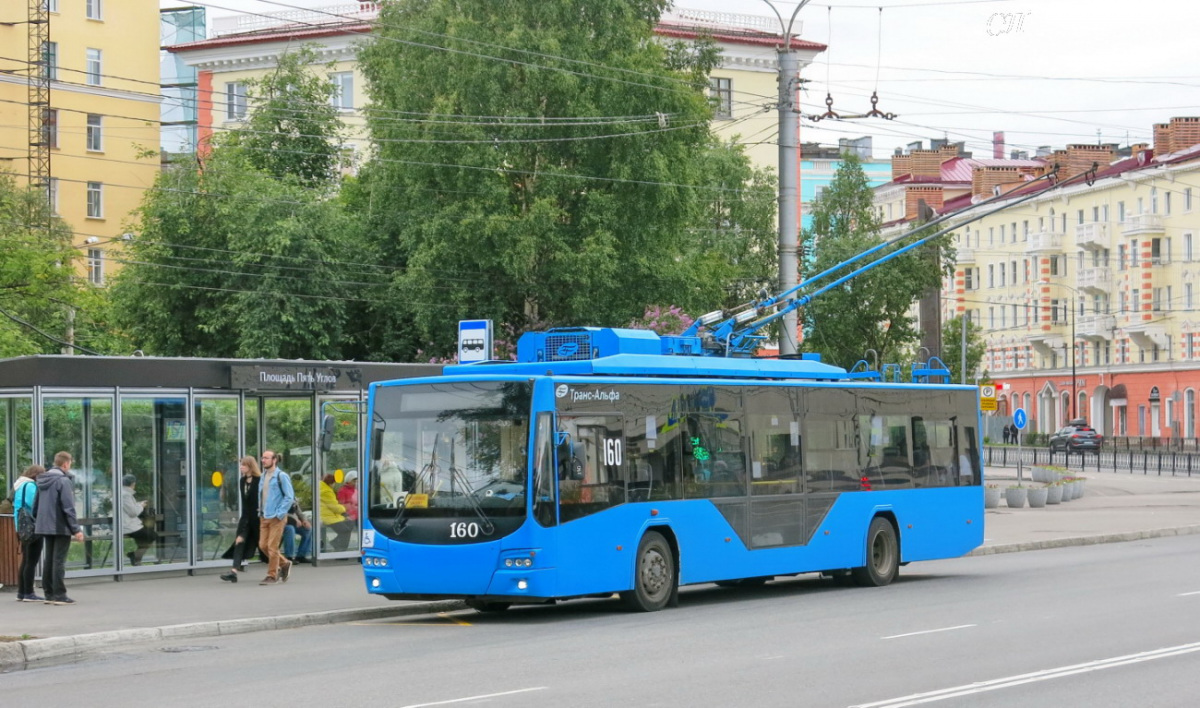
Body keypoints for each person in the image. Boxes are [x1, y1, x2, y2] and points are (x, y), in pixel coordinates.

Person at [35, 451, 84, 605]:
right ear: (65, 464)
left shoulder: (41, 480)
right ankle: (60, 595)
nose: (70, 466)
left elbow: (35, 505)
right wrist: (76, 529)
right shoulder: (63, 481)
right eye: (70, 463)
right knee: (58, 560)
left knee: (49, 559)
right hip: (59, 525)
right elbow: (68, 507)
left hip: (44, 525)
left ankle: (49, 594)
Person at [219, 456, 261, 583]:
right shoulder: (242, 481)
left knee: (264, 546)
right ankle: (234, 572)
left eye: (243, 465)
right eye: (241, 465)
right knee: (239, 542)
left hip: (258, 519)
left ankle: (282, 564)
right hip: (246, 518)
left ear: (250, 466)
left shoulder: (259, 480)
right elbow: (244, 501)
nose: (241, 467)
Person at [257, 450, 295, 585]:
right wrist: (260, 511)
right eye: (262, 458)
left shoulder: (281, 476)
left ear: (274, 460)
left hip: (276, 517)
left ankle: (271, 575)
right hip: (264, 515)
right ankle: (284, 563)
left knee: (272, 547)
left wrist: (280, 513)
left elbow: (289, 497)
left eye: (266, 458)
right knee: (262, 545)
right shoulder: (263, 476)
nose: (263, 460)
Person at [13, 464, 45, 603]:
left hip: (21, 526)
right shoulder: (31, 486)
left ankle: (21, 592)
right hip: (32, 526)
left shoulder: (19, 485)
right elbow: (36, 505)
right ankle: (29, 593)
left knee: (26, 560)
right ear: (36, 475)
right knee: (31, 561)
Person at [120, 474, 157, 566]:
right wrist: (141, 505)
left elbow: (131, 508)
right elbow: (133, 512)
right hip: (128, 526)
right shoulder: (126, 495)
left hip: (128, 525)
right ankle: (135, 556)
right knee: (152, 536)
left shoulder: (123, 493)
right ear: (133, 483)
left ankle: (136, 558)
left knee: (147, 536)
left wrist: (138, 504)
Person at [319, 473, 355, 552]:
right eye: (334, 483)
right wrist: (344, 508)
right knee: (345, 530)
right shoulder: (326, 492)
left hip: (331, 515)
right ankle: (341, 549)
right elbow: (334, 507)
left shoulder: (324, 489)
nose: (335, 485)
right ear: (331, 483)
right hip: (328, 517)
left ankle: (336, 544)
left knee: (350, 523)